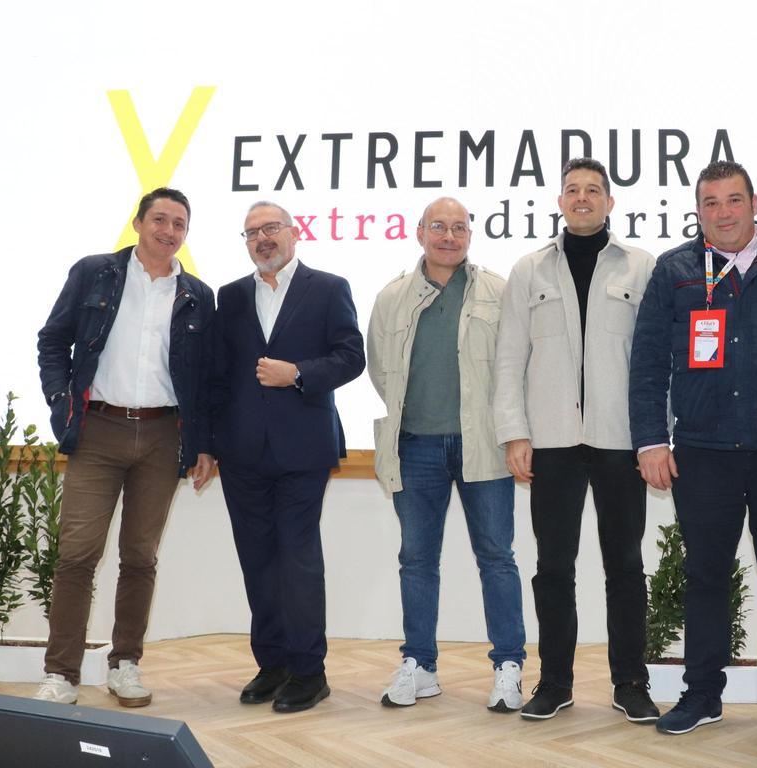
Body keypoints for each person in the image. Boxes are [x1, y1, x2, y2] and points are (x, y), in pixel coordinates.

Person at [629, 160, 757, 740]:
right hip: (704, 451)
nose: (723, 213)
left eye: (733, 200)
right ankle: (702, 695)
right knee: (706, 576)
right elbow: (646, 365)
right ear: (699, 211)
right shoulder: (676, 270)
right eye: (710, 203)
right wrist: (649, 440)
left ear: (755, 202)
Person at [34, 187, 215, 707]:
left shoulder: (197, 296)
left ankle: (125, 664)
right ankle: (61, 673)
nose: (169, 230)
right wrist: (59, 399)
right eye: (159, 219)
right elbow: (53, 340)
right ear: (138, 223)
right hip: (96, 430)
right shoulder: (95, 272)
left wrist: (203, 444)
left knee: (140, 556)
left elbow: (203, 379)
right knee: (77, 555)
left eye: (179, 223)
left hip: (163, 436)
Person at [493, 158, 659, 723]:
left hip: (620, 440)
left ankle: (630, 683)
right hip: (553, 442)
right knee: (553, 568)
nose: (582, 198)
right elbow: (510, 357)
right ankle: (555, 683)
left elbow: (653, 361)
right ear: (559, 201)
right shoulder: (530, 270)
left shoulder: (641, 267)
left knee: (625, 567)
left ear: (610, 202)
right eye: (572, 190)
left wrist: (654, 437)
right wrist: (515, 432)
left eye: (593, 190)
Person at [367, 197, 526, 712]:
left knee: (497, 559)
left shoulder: (497, 292)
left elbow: (516, 366)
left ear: (470, 235)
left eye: (459, 227)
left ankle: (508, 665)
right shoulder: (392, 296)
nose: (449, 236)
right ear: (419, 233)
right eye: (439, 226)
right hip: (415, 447)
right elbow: (379, 366)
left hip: (484, 446)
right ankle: (421, 665)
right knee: (416, 560)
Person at [210, 200, 365, 713]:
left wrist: (296, 373)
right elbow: (218, 374)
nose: (262, 238)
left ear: (294, 233)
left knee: (297, 560)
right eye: (252, 232)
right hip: (241, 453)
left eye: (271, 228)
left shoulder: (328, 287)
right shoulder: (229, 297)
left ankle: (308, 671)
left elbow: (351, 356)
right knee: (257, 559)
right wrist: (208, 444)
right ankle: (271, 663)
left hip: (303, 449)